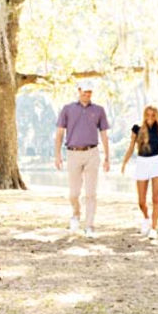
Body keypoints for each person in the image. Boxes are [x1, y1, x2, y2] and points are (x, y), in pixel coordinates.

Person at [53, 82, 111, 237]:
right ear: (79, 91)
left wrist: (107, 157)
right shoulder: (68, 109)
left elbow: (104, 135)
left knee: (91, 193)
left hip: (92, 153)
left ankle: (89, 226)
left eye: (90, 92)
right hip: (73, 153)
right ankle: (76, 213)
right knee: (74, 193)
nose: (87, 95)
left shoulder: (99, 110)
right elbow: (59, 134)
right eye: (85, 92)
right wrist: (57, 155)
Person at [119, 106, 158, 240]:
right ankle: (146, 218)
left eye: (153, 115)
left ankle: (154, 229)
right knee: (141, 201)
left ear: (157, 116)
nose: (150, 117)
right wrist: (124, 163)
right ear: (144, 115)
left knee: (155, 199)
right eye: (148, 115)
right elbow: (131, 148)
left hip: (157, 163)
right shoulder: (136, 130)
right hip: (141, 163)